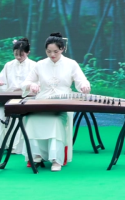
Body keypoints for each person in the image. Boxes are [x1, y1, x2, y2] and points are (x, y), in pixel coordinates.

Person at [21, 32, 90, 172]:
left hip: (63, 102)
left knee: (56, 122)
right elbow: (26, 82)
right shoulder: (40, 64)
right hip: (42, 101)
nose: (52, 54)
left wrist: (84, 86)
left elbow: (81, 80)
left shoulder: (71, 64)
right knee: (31, 119)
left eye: (56, 51)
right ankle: (36, 155)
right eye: (48, 51)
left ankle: (56, 159)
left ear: (62, 49)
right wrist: (31, 85)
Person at [0, 37, 37, 153]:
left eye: (21, 54)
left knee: (18, 116)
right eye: (16, 54)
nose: (18, 57)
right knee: (0, 113)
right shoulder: (9, 65)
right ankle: (2, 143)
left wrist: (31, 86)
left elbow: (37, 83)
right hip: (8, 98)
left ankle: (17, 146)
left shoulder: (34, 65)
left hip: (26, 99)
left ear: (28, 52)